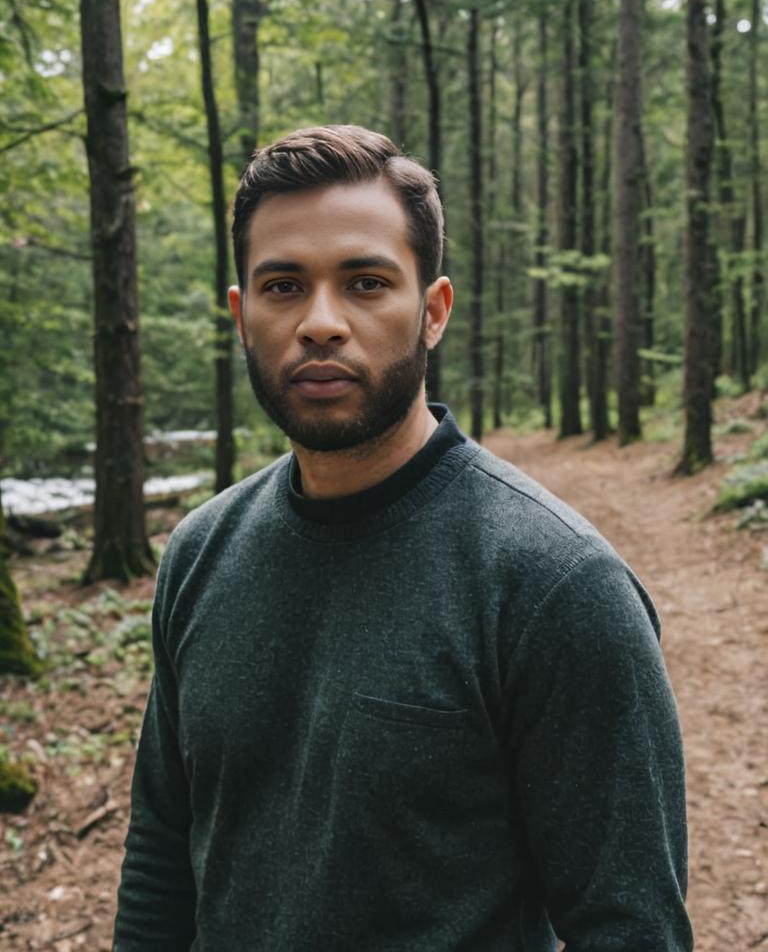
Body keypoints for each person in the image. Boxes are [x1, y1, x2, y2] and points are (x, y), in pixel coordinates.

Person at [113, 125, 693, 951]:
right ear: (243, 317)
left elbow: (630, 925)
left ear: (433, 311)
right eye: (283, 286)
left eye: (365, 282)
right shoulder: (201, 553)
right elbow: (162, 857)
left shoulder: (555, 583)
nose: (320, 323)